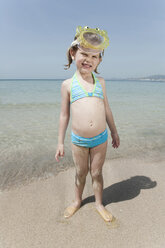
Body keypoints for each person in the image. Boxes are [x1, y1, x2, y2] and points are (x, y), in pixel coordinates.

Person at [55, 26, 120, 222]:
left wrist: (114, 132)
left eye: (94, 56)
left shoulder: (100, 82)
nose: (88, 60)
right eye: (84, 54)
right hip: (79, 140)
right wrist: (59, 142)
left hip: (101, 138)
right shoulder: (67, 85)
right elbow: (64, 115)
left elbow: (107, 109)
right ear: (73, 53)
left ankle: (99, 204)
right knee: (80, 172)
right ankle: (77, 201)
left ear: (99, 60)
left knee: (97, 172)